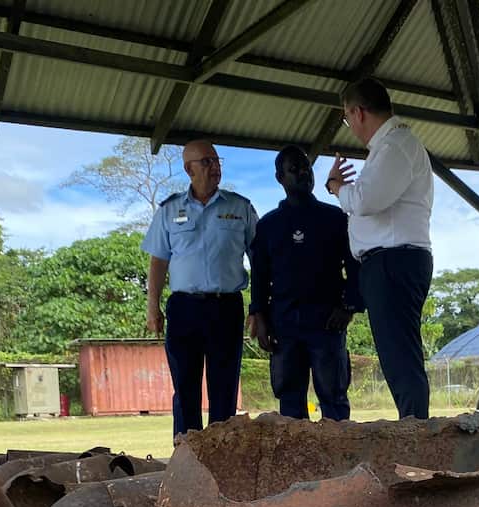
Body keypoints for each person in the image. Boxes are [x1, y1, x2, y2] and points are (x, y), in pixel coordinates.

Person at [325, 77, 434, 419]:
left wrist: (336, 187)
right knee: (397, 354)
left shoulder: (396, 144)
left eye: (346, 118)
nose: (350, 126)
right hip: (388, 262)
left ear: (357, 112)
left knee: (401, 357)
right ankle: (413, 425)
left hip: (394, 261)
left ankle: (416, 432)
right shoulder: (387, 149)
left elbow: (366, 199)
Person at [142, 139, 258, 437]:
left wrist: (258, 308)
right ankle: (187, 457)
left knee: (224, 389)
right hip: (184, 310)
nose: (215, 167)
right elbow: (158, 262)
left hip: (226, 306)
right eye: (206, 161)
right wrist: (152, 307)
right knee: (185, 389)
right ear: (188, 169)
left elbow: (260, 261)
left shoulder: (240, 207)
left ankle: (223, 460)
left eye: (217, 161)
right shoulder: (169, 210)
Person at [248, 145, 361, 421]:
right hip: (284, 325)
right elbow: (259, 275)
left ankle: (340, 459)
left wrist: (348, 306)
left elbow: (356, 267)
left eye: (306, 168)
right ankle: (297, 463)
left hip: (327, 323)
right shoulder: (268, 226)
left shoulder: (335, 219)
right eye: (293, 169)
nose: (302, 173)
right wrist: (259, 316)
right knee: (289, 401)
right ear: (279, 178)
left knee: (333, 397)